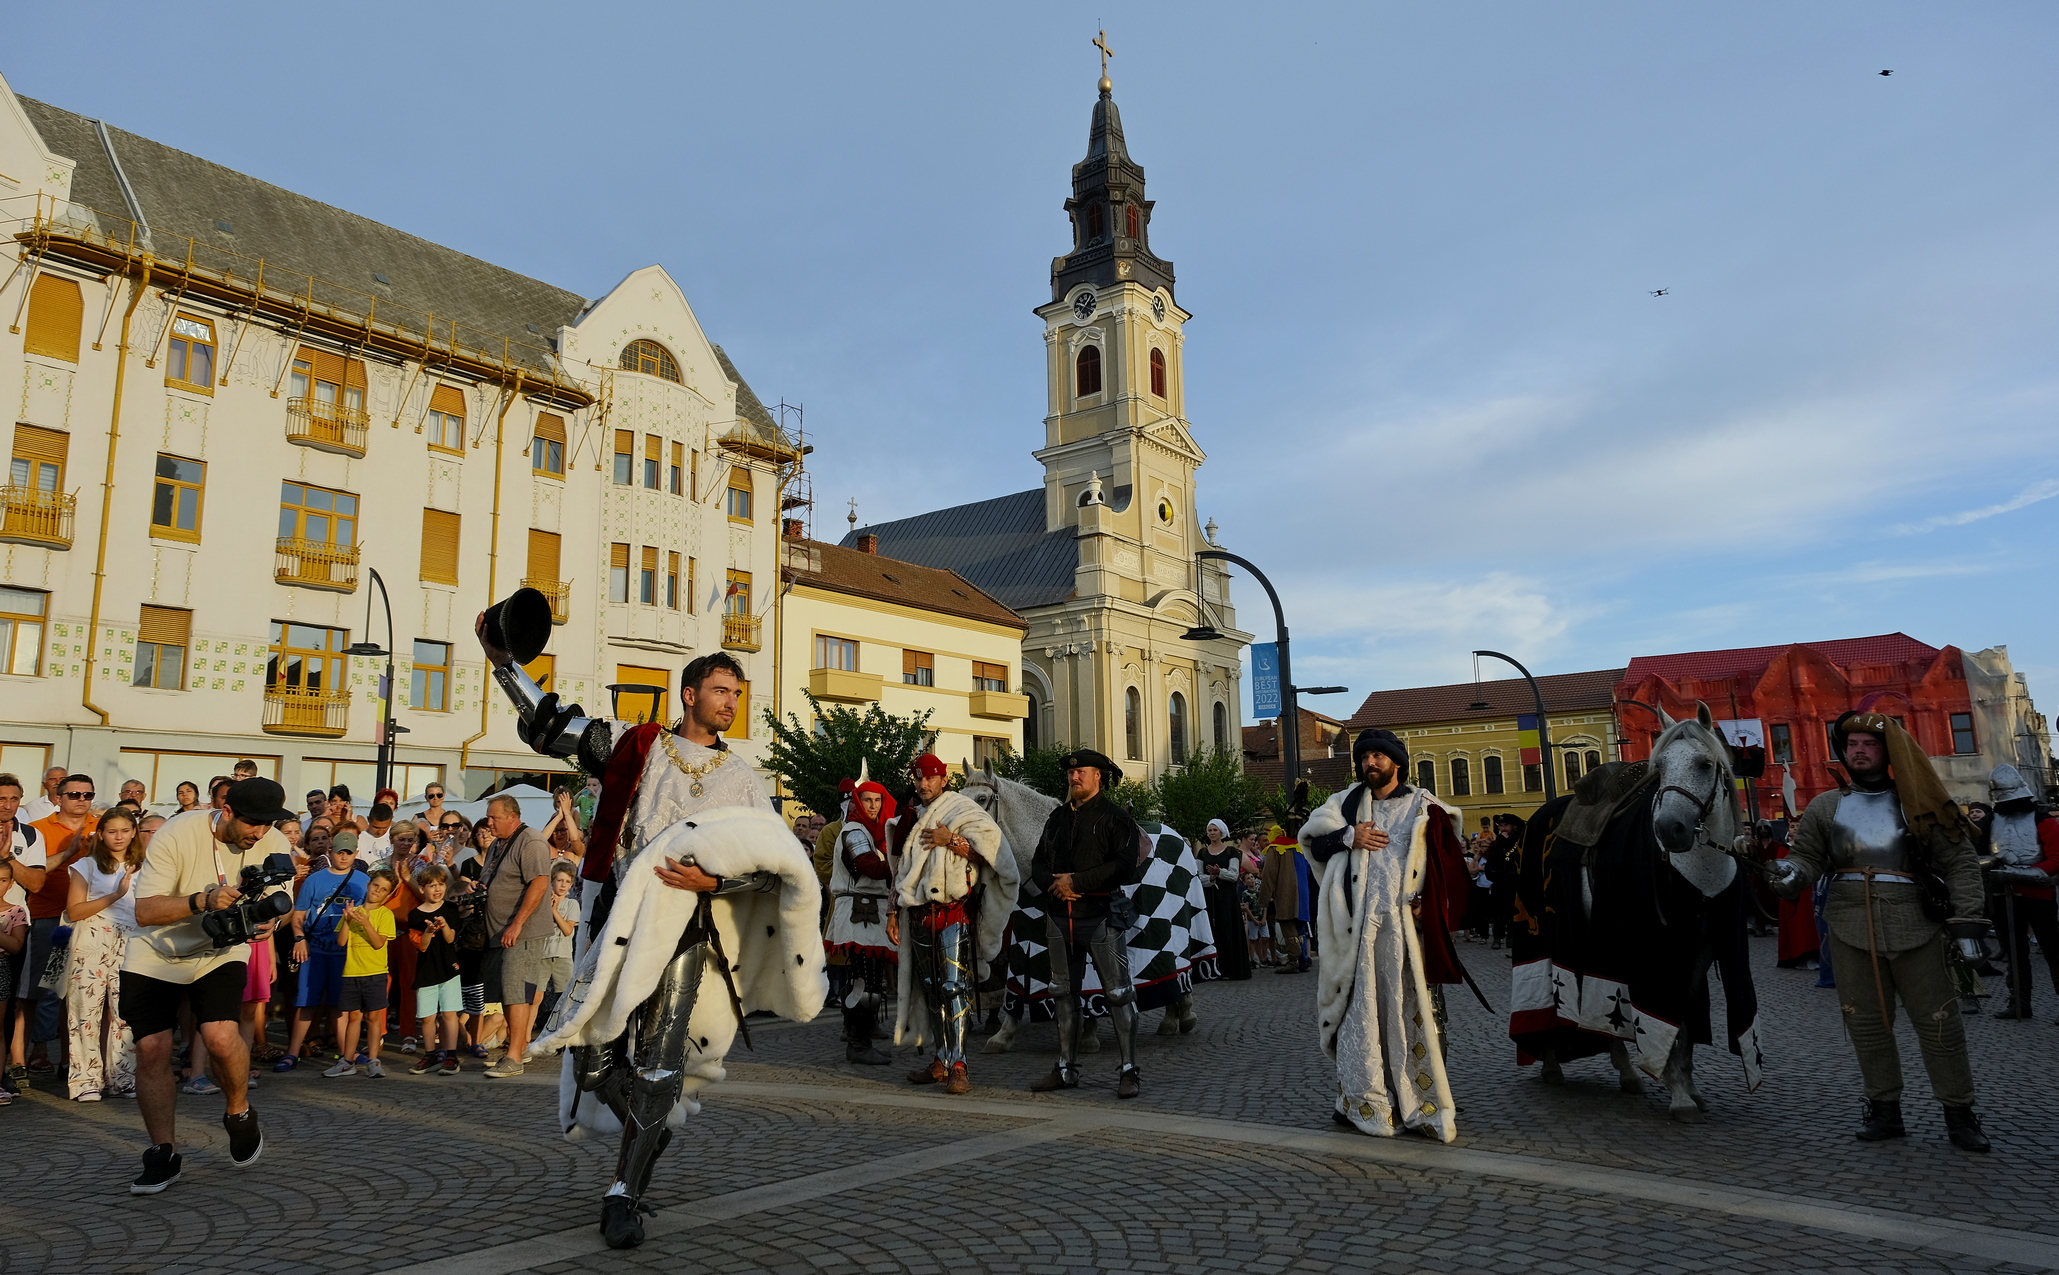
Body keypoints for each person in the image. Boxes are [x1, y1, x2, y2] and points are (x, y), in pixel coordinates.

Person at [483, 613, 815, 1250]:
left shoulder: (744, 781)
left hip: (688, 930)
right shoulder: (635, 746)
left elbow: (777, 869)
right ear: (689, 694)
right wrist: (503, 662)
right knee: (589, 1056)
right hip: (614, 918)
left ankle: (623, 1193)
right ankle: (648, 1119)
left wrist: (714, 886)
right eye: (722, 691)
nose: (732, 704)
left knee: (662, 1058)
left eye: (738, 695)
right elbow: (551, 726)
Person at [1768, 712, 1992, 1152]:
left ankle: (1959, 1113)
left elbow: (1961, 863)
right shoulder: (1825, 806)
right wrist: (1790, 873)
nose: (1859, 751)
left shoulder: (1920, 802)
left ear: (1888, 751)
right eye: (1851, 744)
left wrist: (1968, 923)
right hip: (1850, 923)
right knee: (1866, 1023)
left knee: (1940, 1024)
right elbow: (1808, 858)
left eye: (1868, 744)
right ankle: (1884, 1110)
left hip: (1916, 923)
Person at [121, 777, 296, 1193]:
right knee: (151, 1048)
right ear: (228, 811)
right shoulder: (178, 833)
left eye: (269, 824)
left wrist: (271, 922)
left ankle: (238, 1111)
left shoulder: (274, 842)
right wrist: (202, 900)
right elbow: (144, 911)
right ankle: (163, 1151)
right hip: (157, 948)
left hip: (222, 949)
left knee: (219, 1035)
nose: (260, 832)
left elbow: (281, 904)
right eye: (253, 823)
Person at [1300, 728, 1470, 1142]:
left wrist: (1427, 901)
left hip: (1406, 934)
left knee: (1412, 1014)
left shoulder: (1423, 807)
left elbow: (1449, 865)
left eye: (1378, 756)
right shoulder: (1344, 805)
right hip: (1357, 934)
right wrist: (1348, 836)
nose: (1369, 763)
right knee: (1361, 1017)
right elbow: (1311, 843)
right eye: (1364, 757)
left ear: (1397, 761)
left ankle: (1418, 1102)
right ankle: (1365, 1101)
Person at [886, 753, 1013, 1095]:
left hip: (954, 911)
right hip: (919, 913)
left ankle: (959, 1065)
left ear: (944, 780)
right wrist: (893, 912)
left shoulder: (963, 809)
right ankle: (941, 1060)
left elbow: (991, 854)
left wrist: (951, 841)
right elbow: (897, 870)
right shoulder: (911, 816)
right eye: (918, 779)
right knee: (929, 987)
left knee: (953, 988)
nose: (923, 784)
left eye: (930, 778)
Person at [1027, 748, 1144, 1099]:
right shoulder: (1056, 818)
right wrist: (1057, 884)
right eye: (1071, 773)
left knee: (1119, 994)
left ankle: (1128, 1070)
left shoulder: (1116, 818)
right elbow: (1037, 863)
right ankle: (1066, 1068)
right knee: (1062, 994)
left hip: (1101, 917)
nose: (1074, 777)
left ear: (1099, 777)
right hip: (1060, 918)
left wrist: (1076, 883)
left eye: (1082, 772)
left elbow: (1125, 866)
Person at [63, 808, 142, 1100]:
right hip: (93, 937)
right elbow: (75, 910)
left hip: (133, 939)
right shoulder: (87, 865)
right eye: (112, 831)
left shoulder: (147, 866)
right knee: (85, 1009)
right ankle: (85, 1080)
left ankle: (123, 1077)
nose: (118, 836)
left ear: (134, 831)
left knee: (126, 1011)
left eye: (125, 830)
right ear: (101, 834)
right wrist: (115, 895)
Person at [24, 774, 100, 1077]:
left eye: (87, 794)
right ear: (58, 796)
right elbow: (34, 873)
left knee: (81, 989)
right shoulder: (39, 829)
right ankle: (39, 1051)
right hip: (53, 917)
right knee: (50, 986)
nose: (81, 800)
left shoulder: (102, 827)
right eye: (74, 794)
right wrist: (67, 854)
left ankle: (72, 1058)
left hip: (91, 917)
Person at [476, 793, 555, 1078]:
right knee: (507, 992)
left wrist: (517, 923)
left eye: (494, 817)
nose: (489, 822)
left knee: (517, 992)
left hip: (521, 931)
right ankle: (518, 1048)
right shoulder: (499, 843)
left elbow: (540, 883)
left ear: (512, 816)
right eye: (489, 817)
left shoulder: (531, 841)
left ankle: (513, 1057)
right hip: (500, 930)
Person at [824, 774, 899, 1066]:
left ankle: (861, 1038)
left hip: (868, 911)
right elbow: (867, 866)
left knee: (868, 981)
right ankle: (858, 1042)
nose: (872, 805)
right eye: (867, 799)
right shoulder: (854, 830)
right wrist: (903, 864)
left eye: (877, 800)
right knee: (864, 983)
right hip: (859, 911)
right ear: (857, 801)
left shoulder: (873, 833)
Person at [276, 831, 367, 1071]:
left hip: (346, 952)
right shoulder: (314, 880)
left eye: (349, 853)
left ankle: (344, 1053)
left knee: (341, 1005)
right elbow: (298, 914)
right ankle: (293, 1052)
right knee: (306, 1001)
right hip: (315, 949)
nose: (344, 857)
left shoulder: (363, 880)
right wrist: (299, 939)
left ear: (356, 854)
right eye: (339, 852)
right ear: (330, 852)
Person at [1979, 766, 2059, 1021]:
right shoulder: (1991, 821)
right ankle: (2019, 1002)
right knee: (2014, 952)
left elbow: (2057, 859)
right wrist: (1993, 865)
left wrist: (2022, 873)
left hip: (2038, 895)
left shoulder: (2042, 820)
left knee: (2053, 951)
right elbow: (1978, 855)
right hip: (2003, 894)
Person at [0, 773, 48, 1095]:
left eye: (14, 799)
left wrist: (8, 858)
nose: (7, 805)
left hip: (11, 925)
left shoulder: (30, 836)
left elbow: (35, 883)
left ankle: (2, 1071)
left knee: (6, 1006)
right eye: (1, 799)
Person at [329, 868, 396, 1078]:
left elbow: (378, 944)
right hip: (352, 972)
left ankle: (374, 1060)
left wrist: (365, 923)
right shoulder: (354, 910)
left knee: (374, 1017)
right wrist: (348, 921)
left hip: (375, 973)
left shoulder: (386, 914)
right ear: (368, 885)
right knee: (354, 1017)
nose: (377, 891)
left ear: (388, 894)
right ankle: (347, 1060)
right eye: (375, 885)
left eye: (383, 889)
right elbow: (341, 941)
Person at [406, 863, 465, 1076]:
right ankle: (430, 1054)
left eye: (441, 884)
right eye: (431, 885)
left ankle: (451, 1055)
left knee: (449, 1014)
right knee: (428, 1017)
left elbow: (450, 938)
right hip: (426, 970)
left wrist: (444, 926)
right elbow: (421, 945)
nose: (437, 889)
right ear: (422, 889)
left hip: (449, 968)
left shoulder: (450, 909)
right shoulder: (414, 915)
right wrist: (429, 931)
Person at [1197, 818, 1252, 980]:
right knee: (1212, 930)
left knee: (1228, 929)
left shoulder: (1231, 852)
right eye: (1210, 830)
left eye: (1214, 830)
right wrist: (1211, 878)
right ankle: (1214, 968)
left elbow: (1234, 874)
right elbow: (1199, 876)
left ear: (1221, 832)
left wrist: (1219, 872)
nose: (1212, 833)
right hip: (1210, 896)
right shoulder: (1202, 853)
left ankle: (1231, 969)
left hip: (1227, 897)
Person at [1258, 821, 1314, 974]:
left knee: (1288, 927)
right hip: (1303, 893)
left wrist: (1263, 899)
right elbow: (1309, 870)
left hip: (1286, 893)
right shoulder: (1299, 847)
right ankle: (1303, 959)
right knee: (1300, 929)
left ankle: (1293, 961)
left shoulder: (1275, 849)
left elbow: (1269, 874)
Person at [1484, 814, 1523, 951]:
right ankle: (1497, 938)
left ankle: (1511, 937)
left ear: (1513, 826)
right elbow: (1491, 861)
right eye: (1500, 826)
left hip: (1514, 883)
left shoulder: (1520, 843)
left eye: (1505, 825)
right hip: (1500, 883)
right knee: (1497, 912)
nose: (1503, 829)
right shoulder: (1497, 844)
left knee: (1513, 910)